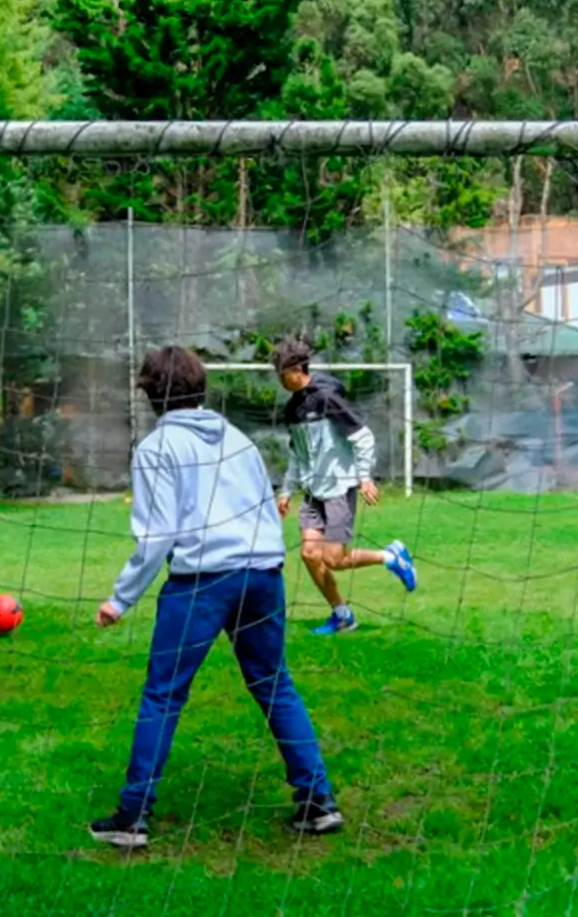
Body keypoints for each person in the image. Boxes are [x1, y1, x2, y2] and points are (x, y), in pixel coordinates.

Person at [90, 346, 342, 850]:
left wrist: (120, 600)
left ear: (150, 395)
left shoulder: (156, 449)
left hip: (204, 582)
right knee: (274, 685)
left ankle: (131, 817)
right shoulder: (239, 439)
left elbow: (157, 535)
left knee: (163, 694)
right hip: (263, 573)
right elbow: (269, 510)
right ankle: (319, 803)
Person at [272, 337, 416, 635]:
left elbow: (362, 437)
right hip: (313, 493)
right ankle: (342, 616)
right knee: (310, 555)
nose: (278, 378)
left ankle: (391, 557)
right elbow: (297, 455)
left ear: (297, 369)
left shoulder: (327, 400)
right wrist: (286, 491)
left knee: (334, 559)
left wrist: (364, 477)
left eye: (281, 372)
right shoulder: (292, 410)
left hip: (339, 487)